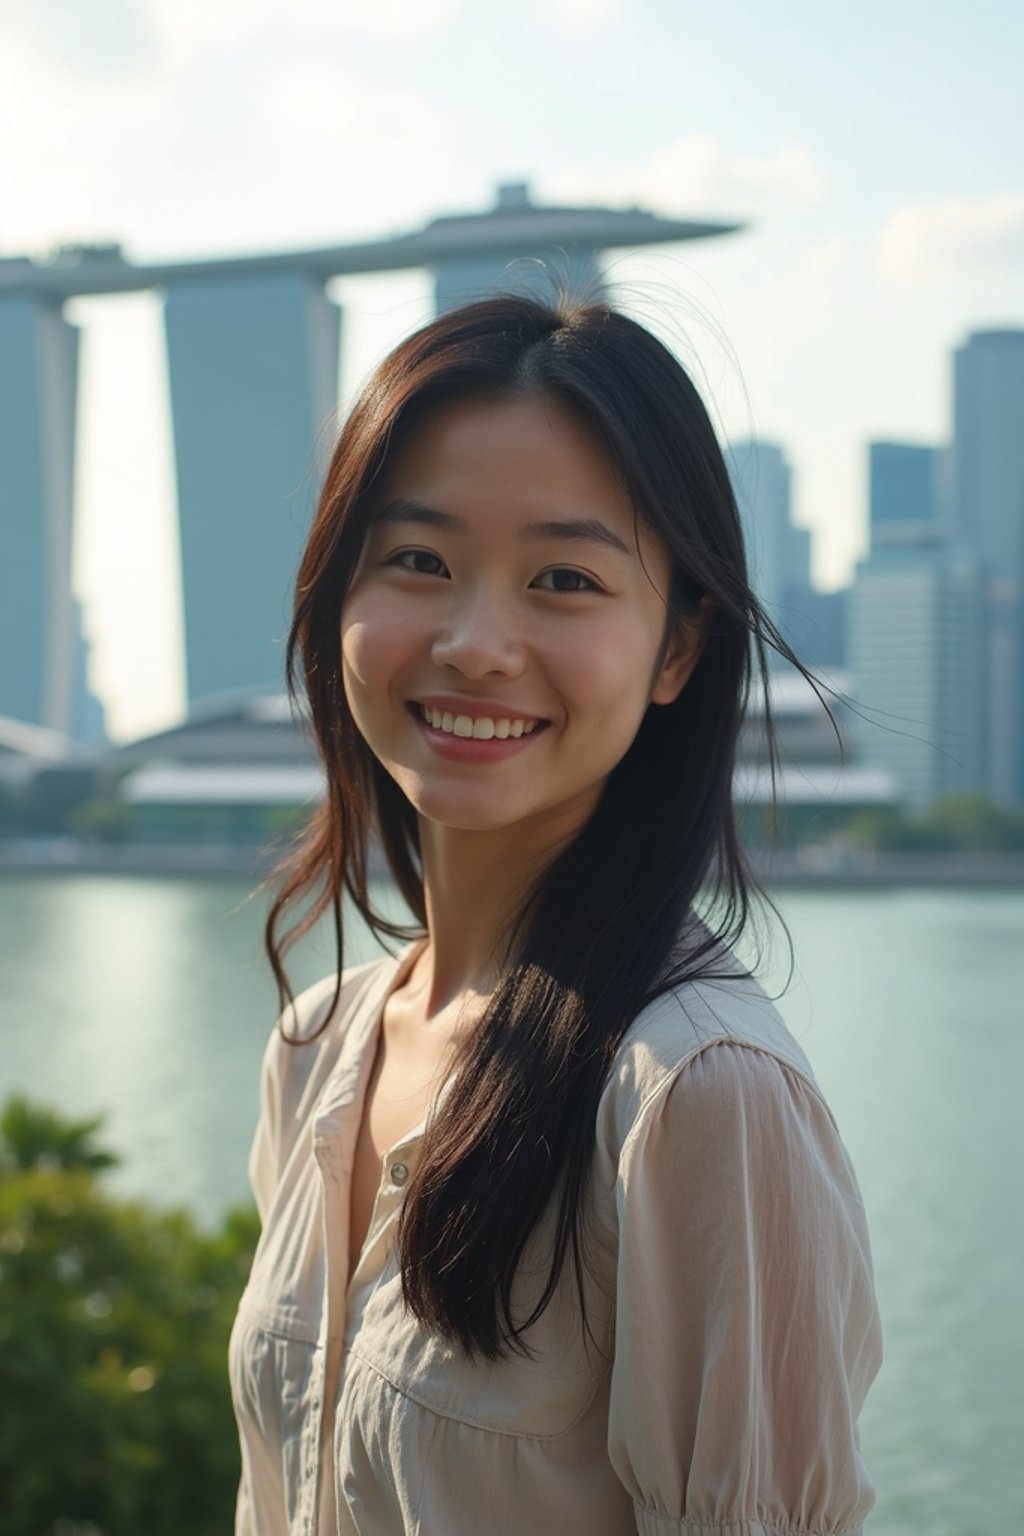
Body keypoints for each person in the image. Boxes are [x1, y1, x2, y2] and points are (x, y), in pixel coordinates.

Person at [228, 294, 883, 1536]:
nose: (476, 644)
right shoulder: (319, 1044)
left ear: (678, 651)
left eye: (563, 580)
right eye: (418, 559)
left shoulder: (696, 1096)